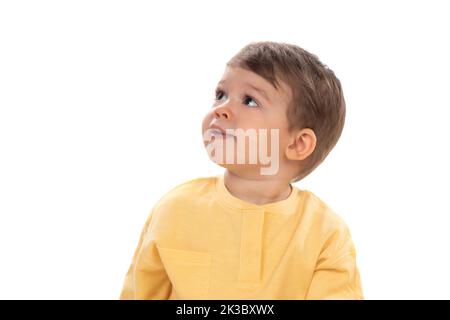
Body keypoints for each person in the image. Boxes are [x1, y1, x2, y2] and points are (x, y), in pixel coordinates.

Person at [119, 41, 363, 300]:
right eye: (221, 94)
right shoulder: (174, 209)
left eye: (250, 101)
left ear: (297, 143)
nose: (221, 110)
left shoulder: (325, 233)